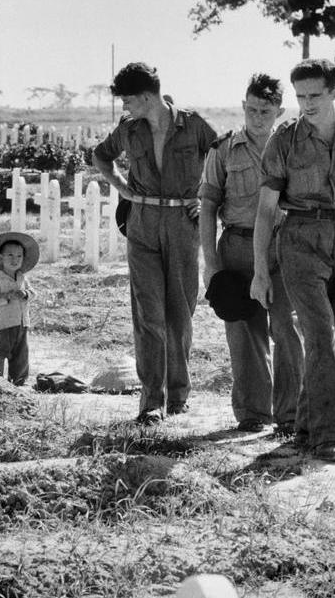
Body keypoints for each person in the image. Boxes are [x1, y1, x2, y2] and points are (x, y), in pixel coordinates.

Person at [250, 58, 335, 463]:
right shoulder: (284, 139)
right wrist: (259, 270)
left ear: (334, 93)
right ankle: (332, 435)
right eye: (300, 96)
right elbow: (266, 211)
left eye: (314, 95)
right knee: (319, 331)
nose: (305, 103)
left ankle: (307, 425)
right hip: (300, 239)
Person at [92, 62, 218, 424]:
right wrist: (121, 188)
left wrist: (206, 199)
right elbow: (101, 155)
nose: (125, 108)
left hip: (183, 223)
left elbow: (221, 159)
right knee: (148, 314)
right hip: (143, 223)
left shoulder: (193, 124)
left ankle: (178, 396)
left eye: (128, 100)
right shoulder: (128, 130)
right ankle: (151, 403)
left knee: (180, 312)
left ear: (147, 96)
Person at [198, 73, 304, 434]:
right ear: (243, 107)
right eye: (252, 109)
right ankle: (253, 413)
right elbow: (208, 205)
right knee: (243, 330)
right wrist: (210, 263)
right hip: (238, 246)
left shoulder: (293, 147)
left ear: (279, 111)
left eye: (266, 110)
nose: (258, 117)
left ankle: (290, 414)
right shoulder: (224, 148)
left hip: (283, 247)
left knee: (286, 327)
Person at [0, 231, 39, 386]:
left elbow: (34, 293)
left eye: (19, 256)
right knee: (2, 351)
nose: (15, 260)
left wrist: (25, 293)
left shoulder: (22, 277)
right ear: (1, 257)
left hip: (23, 322)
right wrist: (6, 297)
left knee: (21, 353)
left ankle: (18, 381)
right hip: (6, 324)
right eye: (10, 255)